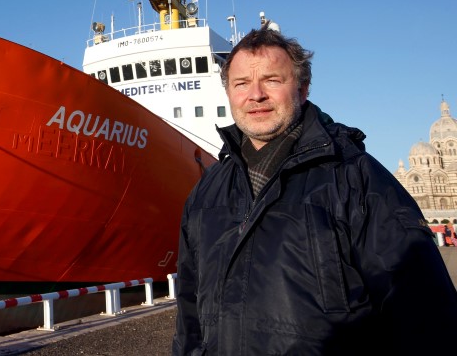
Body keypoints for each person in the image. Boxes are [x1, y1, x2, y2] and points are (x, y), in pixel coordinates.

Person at [172, 25, 457, 355]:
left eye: (272, 80)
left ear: (303, 88)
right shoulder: (207, 191)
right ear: (229, 93)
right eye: (241, 83)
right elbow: (189, 316)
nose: (256, 94)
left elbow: (427, 319)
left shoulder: (358, 179)